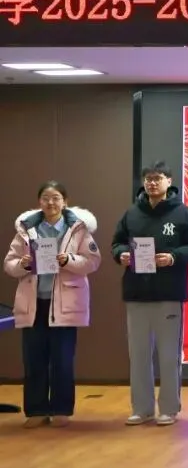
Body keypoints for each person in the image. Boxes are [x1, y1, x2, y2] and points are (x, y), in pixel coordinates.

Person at [111, 161, 188, 426]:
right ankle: (141, 408)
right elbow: (116, 243)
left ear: (169, 182)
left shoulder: (183, 213)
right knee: (138, 355)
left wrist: (173, 257)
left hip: (168, 293)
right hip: (137, 293)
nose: (152, 183)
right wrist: (121, 254)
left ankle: (169, 408)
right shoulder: (131, 213)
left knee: (169, 355)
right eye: (148, 179)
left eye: (158, 178)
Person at [3, 181, 101, 428]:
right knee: (33, 359)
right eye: (46, 198)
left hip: (65, 303)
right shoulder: (26, 229)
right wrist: (23, 264)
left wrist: (69, 260)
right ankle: (36, 410)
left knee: (62, 360)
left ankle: (61, 409)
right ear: (39, 202)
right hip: (33, 303)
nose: (50, 203)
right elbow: (9, 264)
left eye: (56, 198)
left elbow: (92, 262)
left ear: (65, 202)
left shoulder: (78, 229)